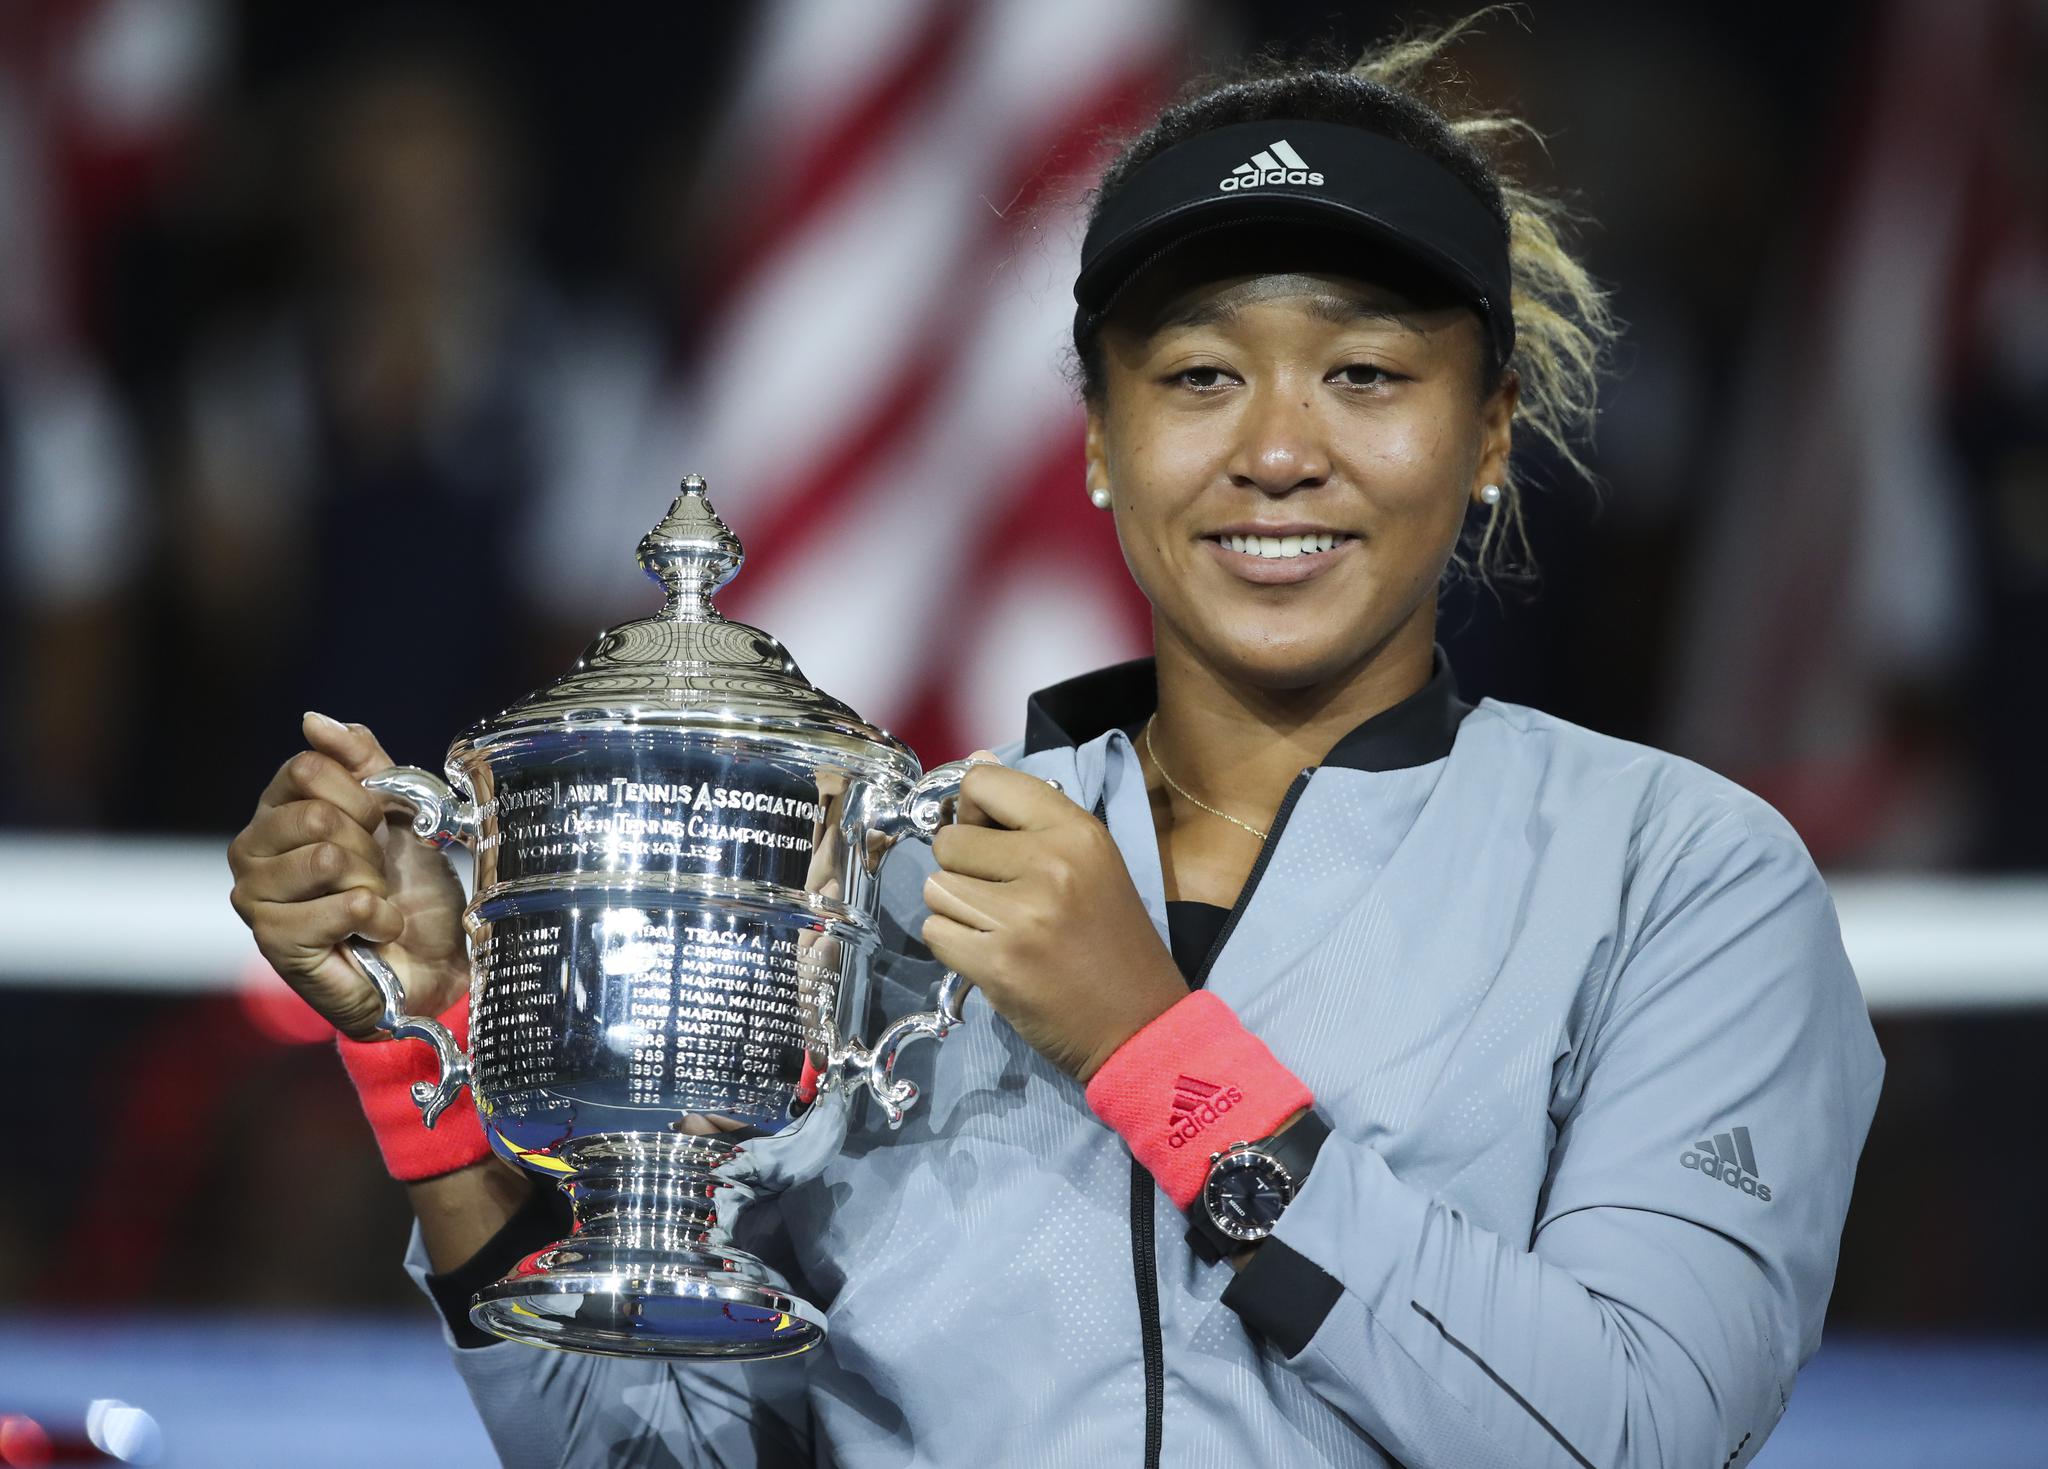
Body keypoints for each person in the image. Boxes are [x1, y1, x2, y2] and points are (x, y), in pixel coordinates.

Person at [227, 17, 1884, 1468]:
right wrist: (433, 1070)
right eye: (1201, 376)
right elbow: (657, 1456)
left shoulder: (1686, 882)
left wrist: (1152, 1047)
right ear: (1097, 441)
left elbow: (1640, 1425)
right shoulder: (890, 885)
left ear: (1491, 431)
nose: (1279, 448)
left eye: (1368, 375)